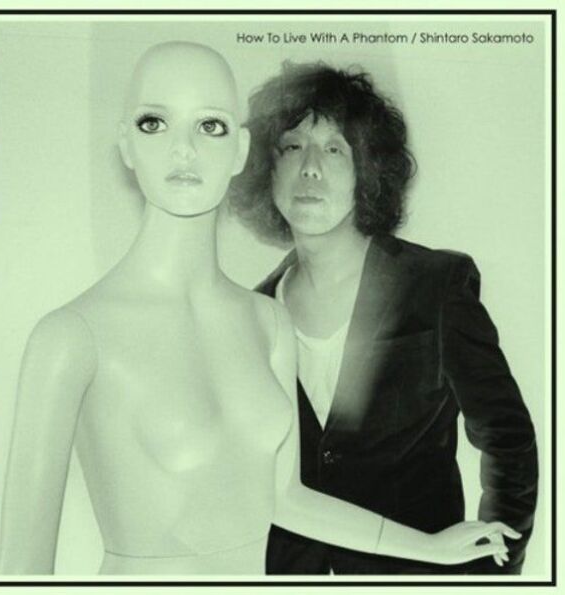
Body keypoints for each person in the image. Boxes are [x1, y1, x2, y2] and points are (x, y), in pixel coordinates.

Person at [0, 43, 518, 576]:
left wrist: (430, 548)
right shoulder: (72, 336)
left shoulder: (268, 321)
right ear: (126, 143)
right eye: (154, 123)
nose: (184, 150)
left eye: (210, 126)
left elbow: (284, 499)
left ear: (240, 150)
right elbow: (19, 572)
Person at [229, 61, 538, 575]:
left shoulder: (435, 285)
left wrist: (491, 575)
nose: (310, 168)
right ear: (266, 167)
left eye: (334, 149)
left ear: (367, 170)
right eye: (292, 146)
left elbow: (508, 440)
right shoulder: (250, 313)